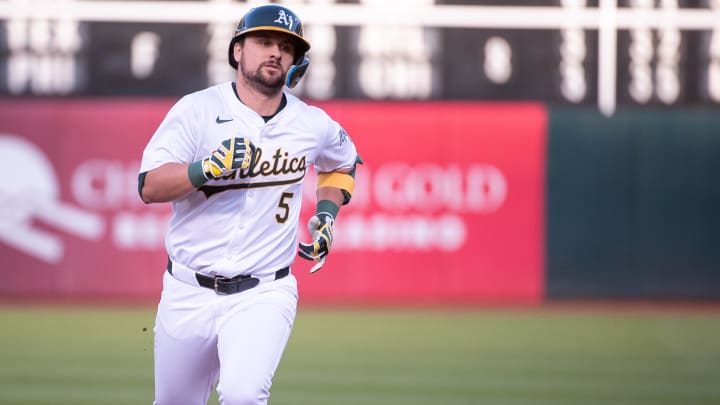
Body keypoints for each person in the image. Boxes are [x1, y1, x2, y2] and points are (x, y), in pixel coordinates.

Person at [137, 4, 361, 404]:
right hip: (187, 290)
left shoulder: (313, 124)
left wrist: (326, 215)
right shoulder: (197, 110)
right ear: (238, 50)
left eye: (286, 47)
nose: (275, 52)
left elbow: (343, 163)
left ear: (297, 61)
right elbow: (149, 186)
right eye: (263, 42)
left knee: (244, 394)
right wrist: (203, 169)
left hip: (264, 291)